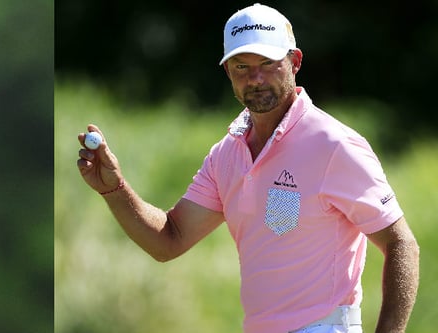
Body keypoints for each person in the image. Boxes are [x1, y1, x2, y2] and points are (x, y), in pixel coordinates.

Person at [76, 3, 418, 333]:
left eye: (268, 63)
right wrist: (114, 189)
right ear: (227, 71)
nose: (255, 78)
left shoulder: (334, 144)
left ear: (294, 61)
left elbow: (401, 243)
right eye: (241, 66)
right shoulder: (226, 154)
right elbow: (170, 240)